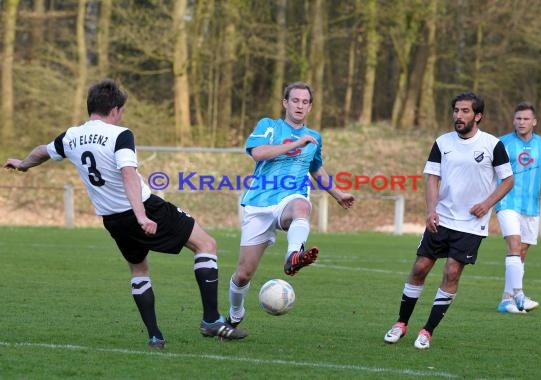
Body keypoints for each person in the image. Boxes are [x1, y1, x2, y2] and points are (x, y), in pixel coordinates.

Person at [3, 79, 246, 348]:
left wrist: (23, 164)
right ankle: (211, 320)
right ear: (115, 110)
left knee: (139, 270)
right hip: (143, 208)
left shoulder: (70, 136)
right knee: (206, 244)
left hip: (112, 219)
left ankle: (155, 336)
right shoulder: (120, 134)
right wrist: (142, 215)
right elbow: (128, 173)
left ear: (91, 107)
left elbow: (42, 152)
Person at [383, 92, 514, 350]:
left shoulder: (492, 145)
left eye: (465, 111)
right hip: (441, 218)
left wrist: (487, 204)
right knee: (420, 267)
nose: (458, 115)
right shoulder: (442, 142)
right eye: (456, 110)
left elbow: (508, 180)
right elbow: (432, 177)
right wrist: (431, 210)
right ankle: (401, 323)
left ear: (478, 116)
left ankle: (427, 330)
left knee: (452, 272)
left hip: (471, 224)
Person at [227, 82, 355, 330]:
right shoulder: (269, 126)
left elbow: (316, 168)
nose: (299, 105)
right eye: (295, 100)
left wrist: (337, 193)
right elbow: (258, 153)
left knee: (302, 207)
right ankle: (234, 313)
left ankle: (292, 256)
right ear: (285, 103)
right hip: (259, 203)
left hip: (290, 198)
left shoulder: (314, 137)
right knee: (243, 274)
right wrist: (295, 144)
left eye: (305, 102)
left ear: (310, 107)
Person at [495, 101, 541, 314]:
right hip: (507, 202)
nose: (522, 122)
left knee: (521, 252)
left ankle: (506, 300)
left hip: (531, 206)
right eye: (518, 118)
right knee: (514, 245)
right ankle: (519, 295)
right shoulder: (502, 144)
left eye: (526, 119)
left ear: (534, 121)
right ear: (513, 121)